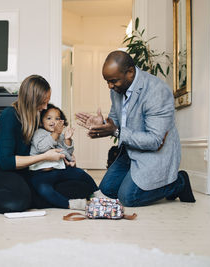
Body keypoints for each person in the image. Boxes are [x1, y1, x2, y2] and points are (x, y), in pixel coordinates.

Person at [0, 74, 98, 213]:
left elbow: (49, 144)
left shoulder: (38, 116)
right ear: (31, 100)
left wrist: (66, 157)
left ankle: (28, 198)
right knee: (19, 200)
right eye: (43, 102)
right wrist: (44, 157)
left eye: (47, 102)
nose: (45, 107)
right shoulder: (9, 116)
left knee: (79, 186)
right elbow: (7, 162)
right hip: (3, 173)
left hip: (29, 173)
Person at [75, 50, 195, 207]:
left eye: (113, 81)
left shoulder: (156, 90)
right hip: (130, 150)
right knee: (107, 190)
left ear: (130, 72)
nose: (110, 86)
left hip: (155, 153)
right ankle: (140, 180)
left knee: (128, 197)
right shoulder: (117, 90)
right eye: (107, 81)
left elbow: (154, 140)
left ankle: (179, 182)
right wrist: (102, 122)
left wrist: (115, 131)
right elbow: (115, 120)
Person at [29, 103, 98, 209]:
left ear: (61, 122)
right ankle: (70, 204)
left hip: (59, 170)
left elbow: (67, 152)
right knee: (44, 189)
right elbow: (42, 148)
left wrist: (67, 139)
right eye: (49, 118)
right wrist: (56, 133)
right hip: (41, 173)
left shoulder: (60, 136)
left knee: (81, 174)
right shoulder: (39, 133)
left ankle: (97, 194)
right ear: (41, 122)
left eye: (57, 119)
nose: (53, 121)